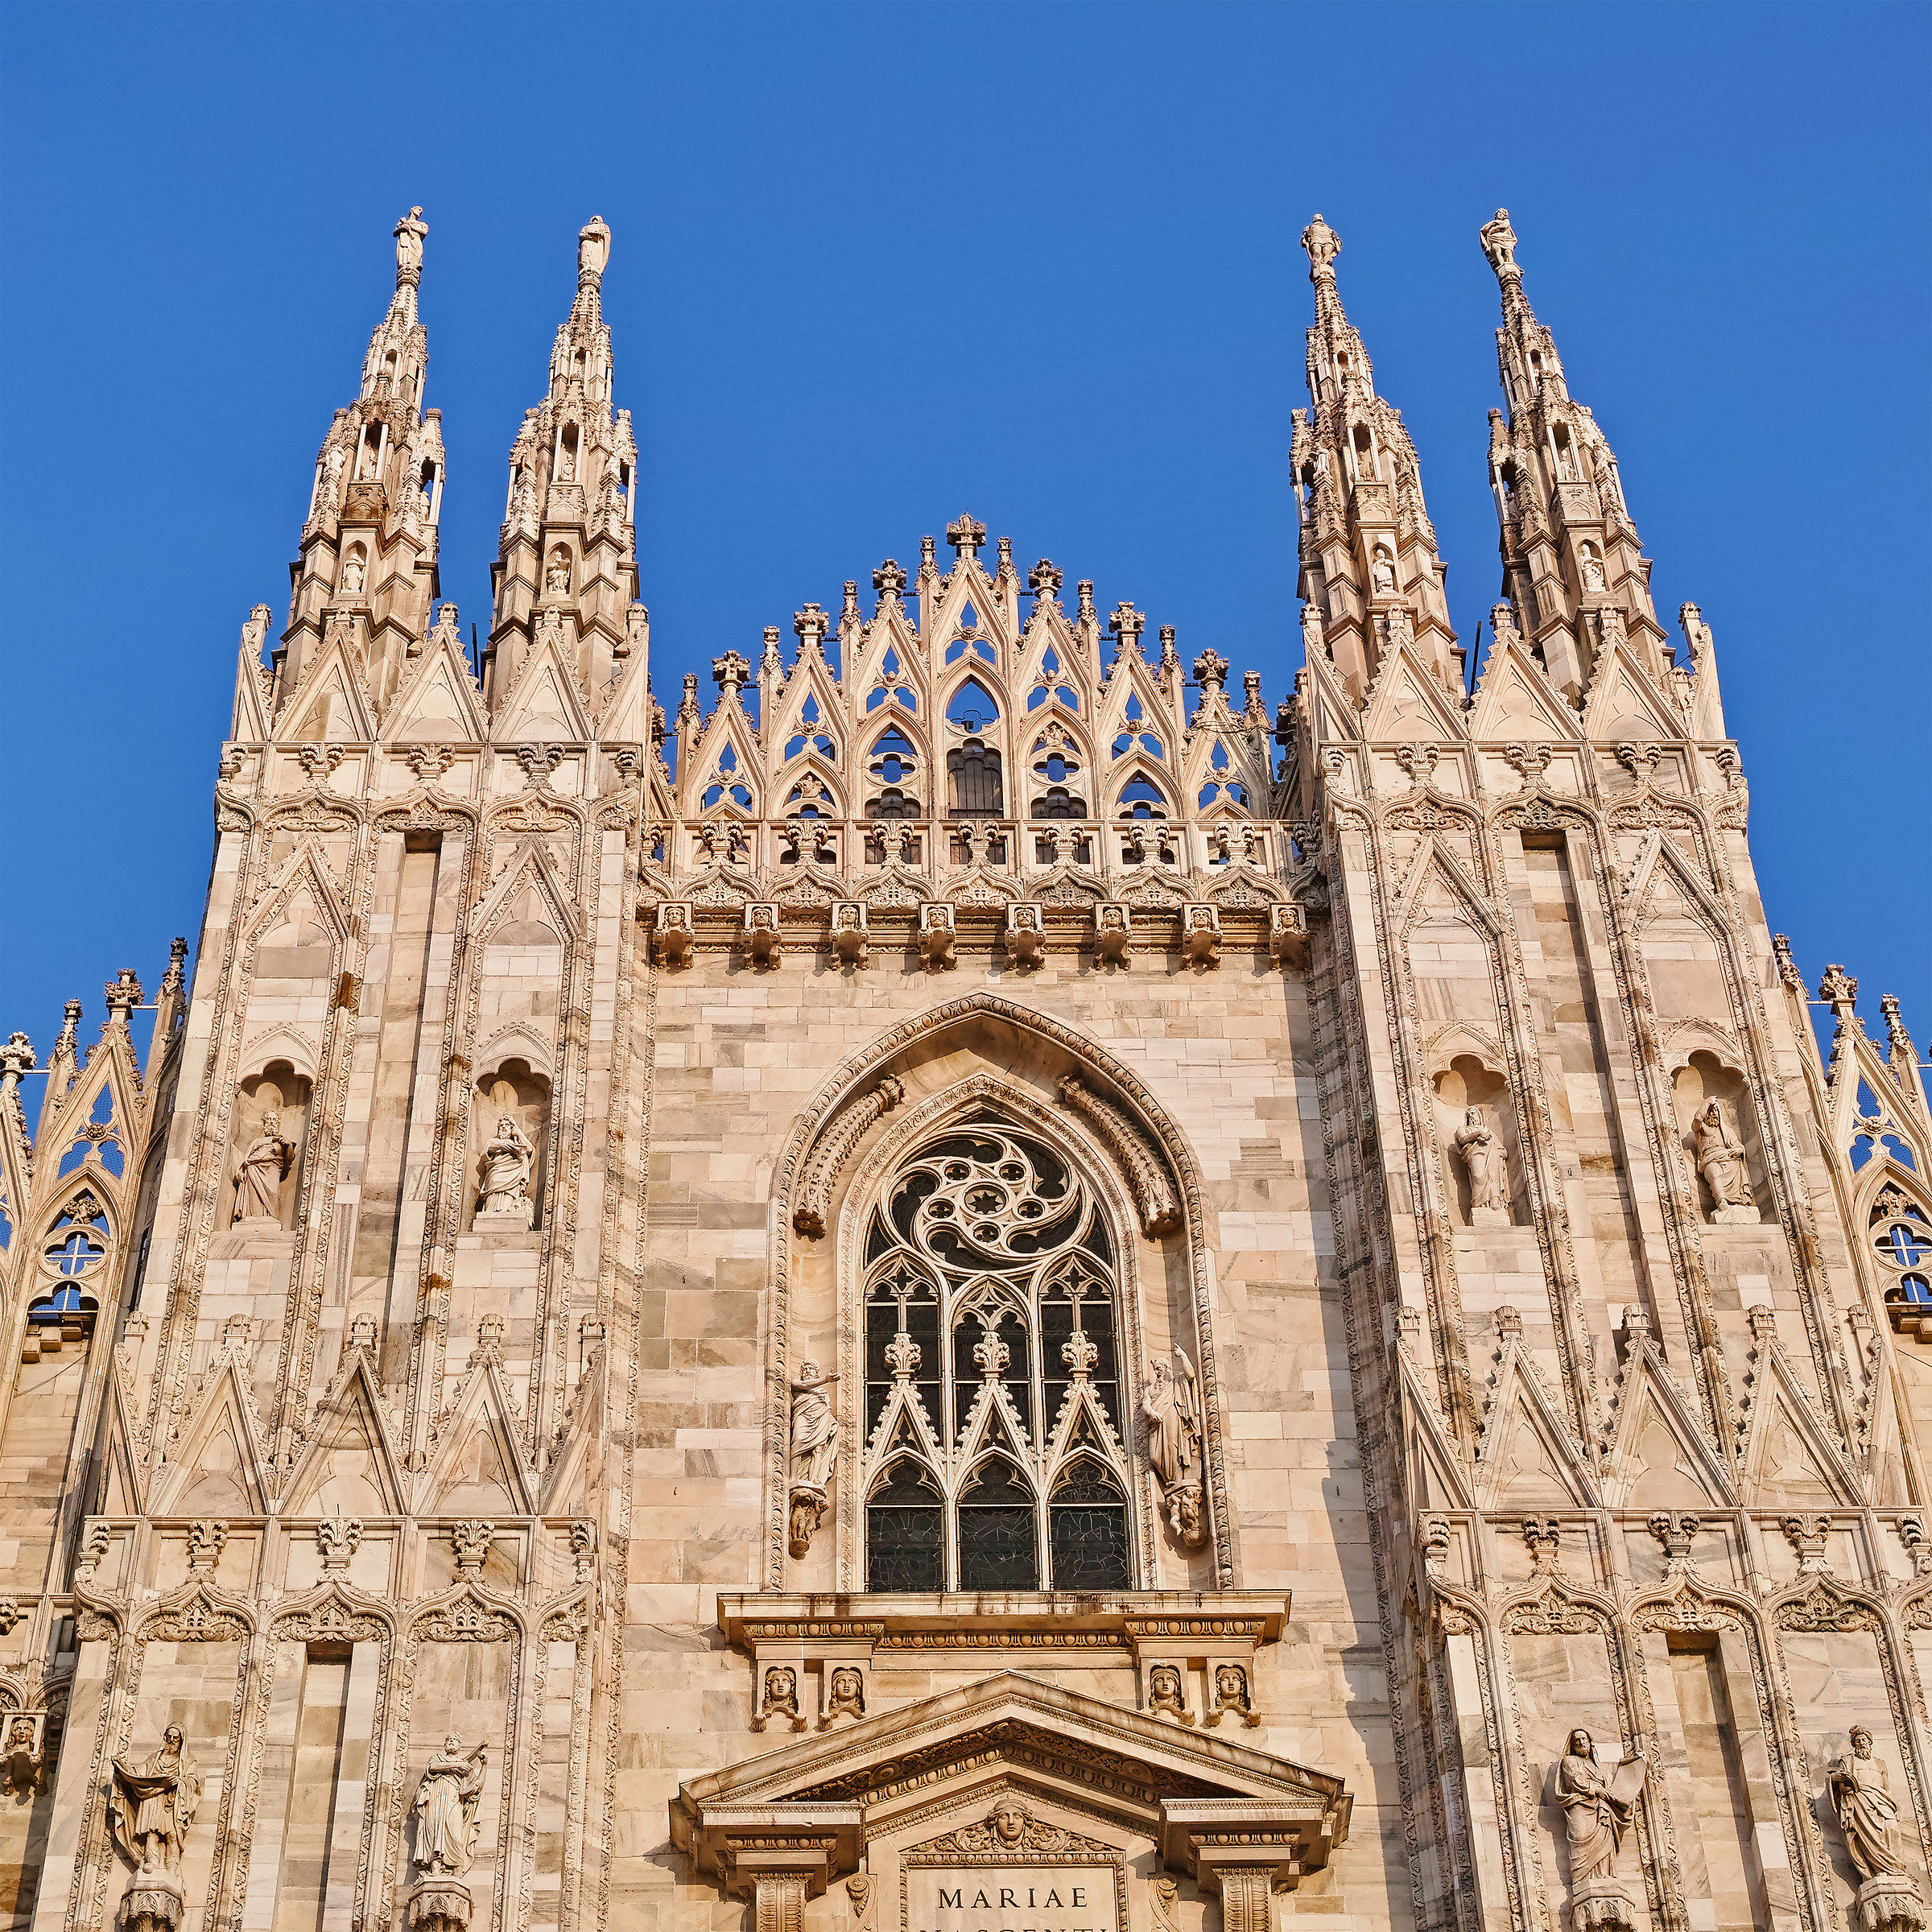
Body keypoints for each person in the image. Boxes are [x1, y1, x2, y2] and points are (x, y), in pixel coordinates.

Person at [1557, 1729, 1646, 1882]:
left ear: (1590, 1742)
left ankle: (1605, 1877)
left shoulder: (1598, 1766)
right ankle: (1583, 1880)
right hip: (1581, 1806)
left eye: (1584, 1739)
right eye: (1577, 1740)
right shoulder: (1570, 1761)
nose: (1581, 1742)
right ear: (1572, 1744)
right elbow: (1575, 1780)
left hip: (1602, 1808)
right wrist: (1597, 1789)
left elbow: (1614, 1780)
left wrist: (1636, 1762)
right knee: (1580, 1836)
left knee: (1605, 1843)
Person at [110, 1727, 201, 1876]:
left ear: (181, 1740)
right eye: (169, 1737)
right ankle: (151, 1860)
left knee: (172, 1835)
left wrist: (180, 1782)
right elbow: (139, 1773)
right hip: (152, 1799)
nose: (171, 1741)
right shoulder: (155, 1759)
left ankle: (172, 1867)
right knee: (152, 1833)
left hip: (173, 1801)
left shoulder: (187, 1760)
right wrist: (123, 1767)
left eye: (175, 1738)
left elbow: (194, 1781)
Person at [1830, 1726, 1909, 1880]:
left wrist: (1897, 1808)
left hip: (1882, 1802)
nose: (1861, 1743)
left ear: (1869, 1742)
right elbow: (1843, 1787)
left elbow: (1887, 1789)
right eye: (1857, 1741)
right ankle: (1878, 1871)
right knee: (1869, 1836)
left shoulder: (1880, 1764)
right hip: (1860, 1802)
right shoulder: (1847, 1761)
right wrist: (1835, 1780)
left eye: (1864, 1740)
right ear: (1854, 1745)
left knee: (1892, 1829)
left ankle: (1895, 1868)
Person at [413, 1736, 485, 1876]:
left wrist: (485, 1766)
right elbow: (432, 1768)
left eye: (455, 1740)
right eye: (449, 1740)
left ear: (459, 1745)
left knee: (455, 1835)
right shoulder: (438, 1758)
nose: (452, 1741)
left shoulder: (464, 1767)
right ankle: (435, 1868)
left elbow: (476, 1787)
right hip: (436, 1800)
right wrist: (455, 1765)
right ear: (445, 1745)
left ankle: (457, 1872)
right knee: (435, 1834)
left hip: (454, 1800)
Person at [234, 1110, 293, 1224]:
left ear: (277, 1123)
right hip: (254, 1169)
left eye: (274, 1119)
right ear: (264, 1122)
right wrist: (241, 1170)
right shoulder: (257, 1141)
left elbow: (289, 1159)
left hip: (273, 1169)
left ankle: (272, 1217)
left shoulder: (282, 1140)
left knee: (273, 1193)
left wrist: (289, 1145)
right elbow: (247, 1158)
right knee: (253, 1194)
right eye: (269, 1119)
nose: (271, 1122)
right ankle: (253, 1216)